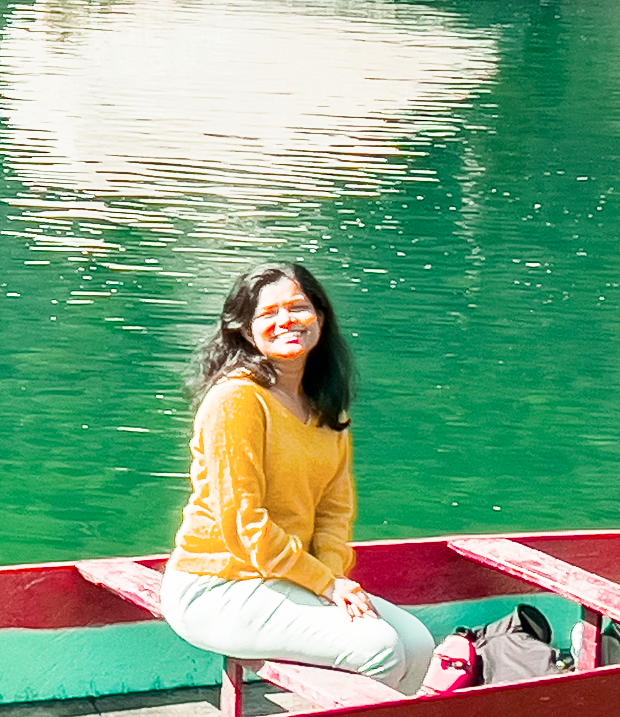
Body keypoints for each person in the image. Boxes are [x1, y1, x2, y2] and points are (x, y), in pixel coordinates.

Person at [157, 264, 434, 691]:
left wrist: (331, 578)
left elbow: (334, 512)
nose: (286, 321)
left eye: (298, 308)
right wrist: (325, 583)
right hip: (217, 584)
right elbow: (242, 524)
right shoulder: (236, 400)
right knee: (378, 648)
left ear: (320, 318)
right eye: (268, 314)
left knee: (416, 643)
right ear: (248, 332)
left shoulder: (326, 408)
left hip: (288, 577)